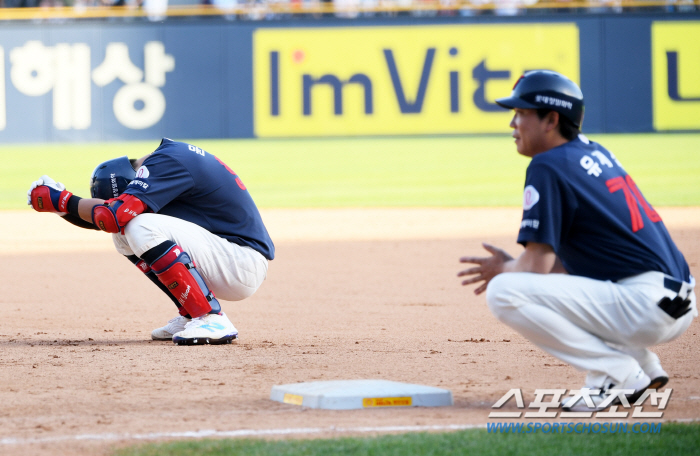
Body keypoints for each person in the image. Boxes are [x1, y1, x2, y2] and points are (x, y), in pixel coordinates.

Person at [457, 70, 696, 412]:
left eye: (522, 113)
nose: (513, 123)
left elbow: (535, 267)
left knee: (504, 291)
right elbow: (572, 266)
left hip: (644, 306)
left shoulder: (547, 165)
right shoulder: (595, 153)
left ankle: (617, 375)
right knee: (564, 287)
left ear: (551, 119)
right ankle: (642, 365)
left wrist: (503, 267)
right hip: (675, 303)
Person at [27, 138, 274, 346]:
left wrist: (63, 200)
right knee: (124, 234)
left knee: (137, 225)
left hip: (241, 261)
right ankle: (192, 313)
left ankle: (210, 317)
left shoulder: (168, 160)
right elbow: (110, 221)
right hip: (227, 258)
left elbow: (113, 216)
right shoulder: (166, 162)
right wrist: (61, 208)